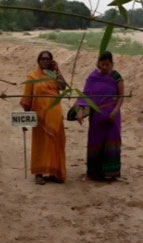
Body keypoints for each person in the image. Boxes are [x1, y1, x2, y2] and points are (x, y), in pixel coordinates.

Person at [20, 50, 67, 185]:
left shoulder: (54, 75)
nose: (45, 61)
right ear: (38, 61)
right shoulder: (33, 77)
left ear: (51, 61)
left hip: (55, 115)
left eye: (48, 59)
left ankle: (54, 172)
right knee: (40, 144)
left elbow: (63, 87)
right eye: (43, 59)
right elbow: (27, 99)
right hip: (40, 116)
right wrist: (25, 120)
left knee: (55, 143)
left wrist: (57, 70)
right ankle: (39, 174)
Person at [76, 51, 124, 181]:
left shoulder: (116, 77)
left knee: (111, 141)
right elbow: (85, 95)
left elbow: (121, 96)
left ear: (112, 64)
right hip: (97, 115)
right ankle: (94, 172)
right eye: (102, 64)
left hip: (112, 115)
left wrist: (115, 110)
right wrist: (80, 111)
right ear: (98, 64)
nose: (104, 67)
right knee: (95, 141)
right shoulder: (92, 77)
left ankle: (111, 172)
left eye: (107, 65)